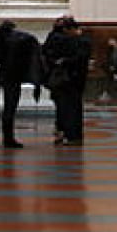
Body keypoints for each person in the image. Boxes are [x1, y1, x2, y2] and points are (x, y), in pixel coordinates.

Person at [42, 15, 91, 144]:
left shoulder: (59, 39)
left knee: (65, 108)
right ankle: (71, 134)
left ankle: (66, 133)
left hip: (65, 79)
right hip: (72, 79)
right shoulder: (80, 40)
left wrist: (62, 62)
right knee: (71, 108)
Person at [0, 21, 43, 147]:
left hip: (4, 76)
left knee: (8, 107)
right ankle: (8, 138)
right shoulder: (19, 40)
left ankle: (7, 137)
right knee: (10, 107)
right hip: (13, 77)